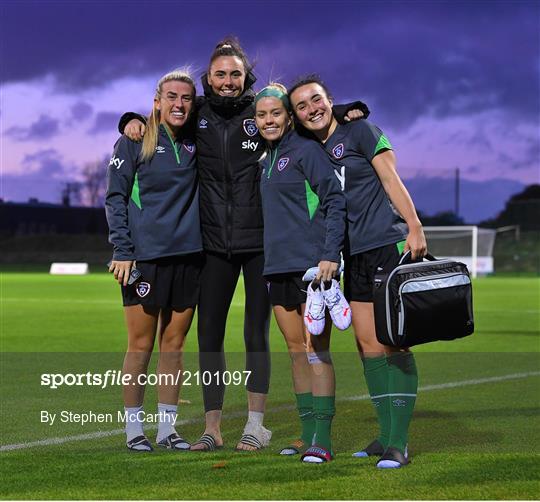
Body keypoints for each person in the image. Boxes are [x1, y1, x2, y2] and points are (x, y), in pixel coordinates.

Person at [119, 37, 370, 452]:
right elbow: (163, 113)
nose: (228, 81)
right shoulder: (195, 113)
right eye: (220, 74)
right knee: (209, 336)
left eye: (235, 73)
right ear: (209, 79)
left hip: (259, 247)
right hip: (212, 245)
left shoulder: (261, 111)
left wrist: (343, 110)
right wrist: (129, 118)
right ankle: (212, 428)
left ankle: (256, 425)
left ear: (245, 77)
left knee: (256, 333)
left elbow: (300, 114)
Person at [288, 76, 427, 468]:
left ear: (329, 101)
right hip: (352, 258)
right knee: (367, 346)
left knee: (394, 342)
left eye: (316, 99)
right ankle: (384, 435)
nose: (311, 108)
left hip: (385, 244)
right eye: (302, 105)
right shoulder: (306, 149)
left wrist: (414, 224)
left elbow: (389, 176)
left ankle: (399, 442)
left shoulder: (361, 130)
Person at [105, 69, 202, 451]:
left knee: (174, 345)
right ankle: (133, 432)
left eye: (186, 98)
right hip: (144, 258)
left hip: (189, 255)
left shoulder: (197, 138)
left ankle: (167, 430)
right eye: (171, 97)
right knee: (140, 346)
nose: (179, 104)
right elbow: (115, 198)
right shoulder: (134, 140)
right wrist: (123, 249)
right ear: (157, 101)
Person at [254, 83, 347, 463]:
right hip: (277, 268)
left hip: (312, 270)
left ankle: (321, 439)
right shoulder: (265, 160)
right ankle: (306, 433)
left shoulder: (307, 151)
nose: (269, 120)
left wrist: (330, 256)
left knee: (315, 352)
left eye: (276, 113)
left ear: (288, 117)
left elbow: (335, 200)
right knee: (296, 352)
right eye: (261, 115)